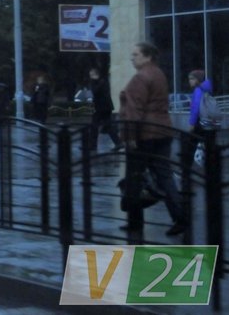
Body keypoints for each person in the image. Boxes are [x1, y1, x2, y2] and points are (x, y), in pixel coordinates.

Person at [118, 41, 186, 236]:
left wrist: (130, 136)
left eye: (136, 55)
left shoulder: (140, 77)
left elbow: (134, 110)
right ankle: (180, 217)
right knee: (165, 176)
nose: (132, 58)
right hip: (162, 131)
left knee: (134, 177)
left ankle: (135, 223)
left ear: (147, 56)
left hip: (144, 134)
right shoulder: (158, 73)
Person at [87, 68, 120, 151]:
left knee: (94, 126)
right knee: (107, 126)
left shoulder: (99, 82)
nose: (90, 77)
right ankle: (118, 143)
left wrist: (93, 82)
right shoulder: (103, 81)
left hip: (101, 108)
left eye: (92, 75)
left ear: (96, 74)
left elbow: (95, 92)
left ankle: (92, 146)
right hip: (104, 107)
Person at [186, 69, 214, 164]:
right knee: (209, 148)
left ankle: (186, 169)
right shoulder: (206, 89)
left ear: (198, 80)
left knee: (189, 145)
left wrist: (192, 124)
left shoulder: (198, 90)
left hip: (199, 122)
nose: (190, 81)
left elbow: (196, 109)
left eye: (192, 79)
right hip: (209, 122)